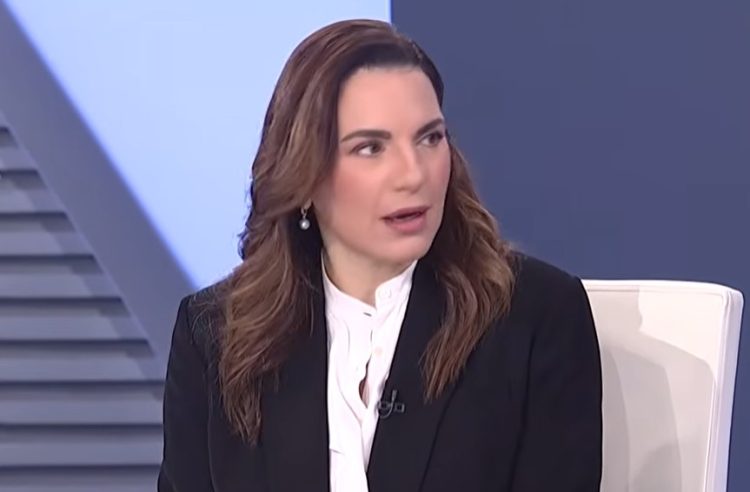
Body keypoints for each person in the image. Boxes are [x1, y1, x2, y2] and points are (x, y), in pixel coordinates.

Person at [157, 18, 602, 492]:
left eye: (430, 138)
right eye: (371, 147)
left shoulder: (535, 319)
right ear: (302, 174)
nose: (414, 174)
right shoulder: (216, 335)